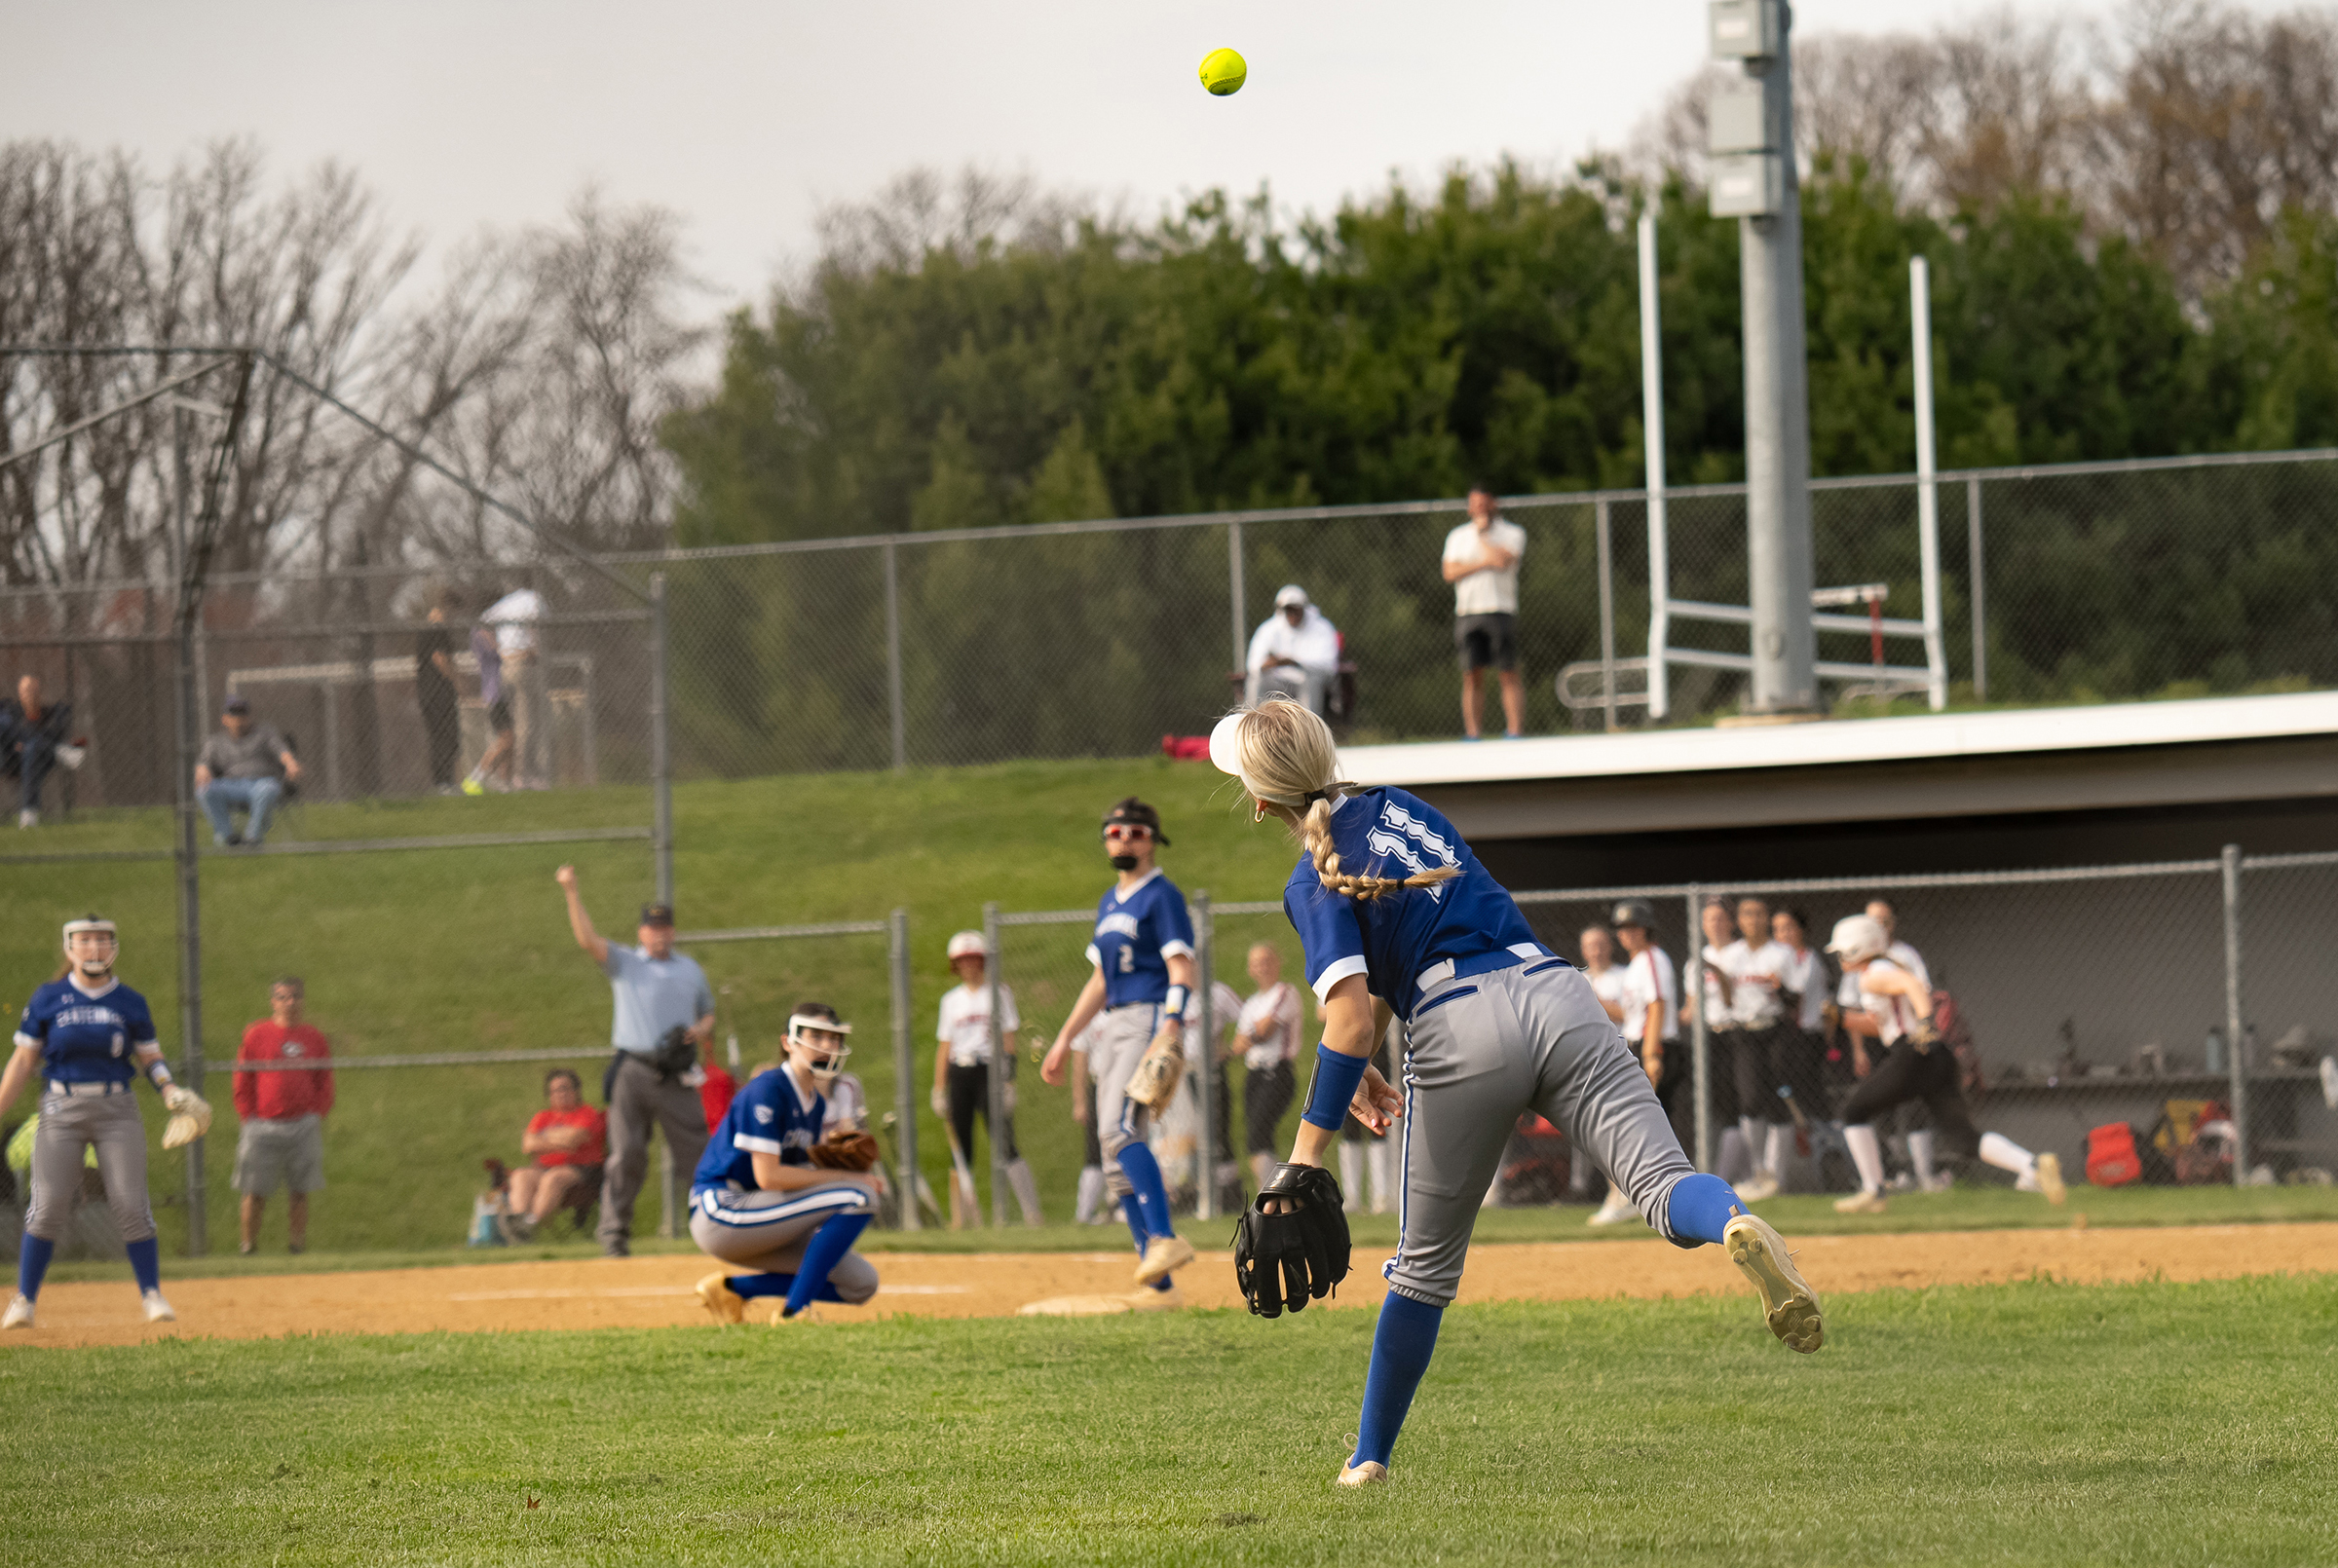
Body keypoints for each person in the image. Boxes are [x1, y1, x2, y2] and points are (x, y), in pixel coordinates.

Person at [1209, 700, 1820, 1486]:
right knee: (1665, 1190)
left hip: (1459, 1029)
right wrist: (1351, 1043)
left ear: (1260, 804)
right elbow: (1393, 977)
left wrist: (1303, 1157)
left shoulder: (1310, 879)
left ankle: (1369, 1460)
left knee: (1422, 1274)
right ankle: (1734, 1221)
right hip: (1556, 992)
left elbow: (1352, 1018)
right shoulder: (1407, 807)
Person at [2, 915, 209, 1328]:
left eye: (101, 941)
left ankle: (151, 1294)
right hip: (62, 1109)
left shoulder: (128, 1001)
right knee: (47, 1207)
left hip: (117, 1109)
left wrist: (170, 1091)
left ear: (113, 947)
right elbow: (24, 1061)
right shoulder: (49, 997)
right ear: (70, 948)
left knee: (131, 1204)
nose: (93, 949)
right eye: (84, 941)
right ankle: (24, 1300)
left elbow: (149, 1057)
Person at [1040, 797, 1200, 1305]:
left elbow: (1182, 969)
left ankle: (1165, 1239)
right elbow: (1100, 981)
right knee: (1113, 1158)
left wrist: (1171, 1023)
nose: (1123, 839)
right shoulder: (1111, 902)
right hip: (1114, 1025)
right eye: (1113, 832)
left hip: (1149, 1016)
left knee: (1121, 1129)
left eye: (1133, 831)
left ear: (1152, 839)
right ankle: (1160, 1284)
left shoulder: (1162, 896)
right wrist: (1066, 1038)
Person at [1826, 914, 2063, 1214]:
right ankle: (2032, 1165)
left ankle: (1874, 1191)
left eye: (1842, 952)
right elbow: (1879, 1023)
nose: (1840, 958)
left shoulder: (1875, 972)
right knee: (1963, 1138)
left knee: (1853, 1111)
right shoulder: (1881, 970)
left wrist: (1926, 1021)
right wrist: (1842, 1018)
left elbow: (1912, 985)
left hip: (1914, 1053)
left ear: (1856, 948)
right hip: (1934, 1055)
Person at [554, 866, 713, 1256]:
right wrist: (572, 892)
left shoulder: (690, 969)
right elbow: (587, 940)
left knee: (697, 1155)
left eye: (665, 927)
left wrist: (700, 1029)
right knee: (626, 1155)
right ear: (642, 932)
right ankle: (614, 1236)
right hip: (634, 1070)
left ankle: (716, 1230)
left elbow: (707, 1012)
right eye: (652, 927)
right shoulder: (627, 962)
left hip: (676, 1074)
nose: (659, 933)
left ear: (673, 931)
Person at [692, 1005, 882, 1324]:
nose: (827, 1045)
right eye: (816, 1036)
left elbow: (796, 1177)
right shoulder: (768, 1089)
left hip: (759, 1215)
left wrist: (849, 1172)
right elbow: (768, 1177)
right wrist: (846, 1180)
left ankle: (731, 1290)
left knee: (861, 1284)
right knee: (858, 1196)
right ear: (788, 1042)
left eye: (833, 1038)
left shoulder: (815, 1103)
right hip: (722, 1210)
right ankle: (793, 1313)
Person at [932, 929, 1043, 1225]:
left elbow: (1009, 1039)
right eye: (963, 960)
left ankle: (1032, 1213)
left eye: (974, 959)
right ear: (955, 965)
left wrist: (1009, 1081)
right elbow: (945, 1046)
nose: (969, 965)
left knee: (1004, 1140)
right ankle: (962, 1219)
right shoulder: (951, 1001)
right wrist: (939, 1087)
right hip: (960, 1071)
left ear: (983, 962)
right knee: (961, 1145)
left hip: (989, 1070)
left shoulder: (999, 993)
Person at [1593, 901, 1682, 1226]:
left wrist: (1651, 1053)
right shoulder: (1636, 964)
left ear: (1645, 929)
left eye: (1632, 927)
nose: (1625, 934)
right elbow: (1631, 1013)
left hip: (1653, 1046)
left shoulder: (1652, 959)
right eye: (1621, 929)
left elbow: (1657, 1006)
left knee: (1630, 1125)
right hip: (1638, 1043)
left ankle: (1632, 1197)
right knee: (1632, 1126)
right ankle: (1638, 1197)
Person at [231, 976, 333, 1255]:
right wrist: (247, 1115)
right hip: (262, 1124)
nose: (290, 1003)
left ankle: (297, 1246)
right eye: (283, 997)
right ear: (273, 1002)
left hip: (302, 1124)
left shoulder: (313, 1038)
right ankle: (248, 1246)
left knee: (300, 1190)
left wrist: (317, 1114)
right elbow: (243, 1079)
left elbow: (324, 1080)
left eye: (296, 996)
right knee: (254, 1190)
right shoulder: (257, 1034)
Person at [1717, 895, 1793, 1204]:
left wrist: (1780, 988)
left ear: (1767, 918)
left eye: (1759, 913)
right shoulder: (1731, 955)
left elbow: (1795, 999)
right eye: (1747, 914)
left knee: (1779, 1099)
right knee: (1749, 1099)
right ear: (1739, 921)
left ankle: (1778, 1176)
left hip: (1775, 1029)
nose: (1754, 919)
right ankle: (1758, 1170)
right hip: (1744, 1031)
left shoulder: (1781, 953)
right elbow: (1724, 998)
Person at [1441, 482, 1527, 739]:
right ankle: (1473, 733)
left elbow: (1502, 562)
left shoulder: (1512, 533)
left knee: (1507, 672)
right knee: (1471, 674)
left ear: (1493, 504)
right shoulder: (1457, 536)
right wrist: (1483, 562)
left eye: (1484, 503)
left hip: (1500, 609)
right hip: (1468, 611)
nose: (1479, 508)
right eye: (1475, 503)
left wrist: (1483, 536)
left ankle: (1514, 731)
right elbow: (1450, 572)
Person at [1236, 943, 1305, 1194]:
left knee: (1260, 1129)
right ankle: (1268, 1191)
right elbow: (1238, 1043)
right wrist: (1255, 1031)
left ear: (1277, 963)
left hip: (1277, 1071)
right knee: (1255, 1136)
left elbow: (1264, 1032)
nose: (1262, 968)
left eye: (1266, 961)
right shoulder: (1252, 1003)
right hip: (1254, 1073)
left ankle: (1273, 1192)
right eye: (1256, 963)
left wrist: (1253, 1032)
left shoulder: (1284, 992)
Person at [1573, 923, 1633, 1217]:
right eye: (1590, 945)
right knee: (1599, 1131)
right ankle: (1616, 1194)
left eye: (1601, 944)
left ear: (1610, 946)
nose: (1596, 951)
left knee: (1621, 1128)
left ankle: (1624, 1195)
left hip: (1620, 1058)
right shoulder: (1576, 979)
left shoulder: (1625, 976)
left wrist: (1593, 1000)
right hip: (1586, 1062)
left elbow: (1629, 1014)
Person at [506, 1068, 607, 1239]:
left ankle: (530, 1224)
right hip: (545, 1167)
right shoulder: (543, 1117)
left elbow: (573, 1141)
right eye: (555, 1090)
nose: (561, 1094)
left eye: (565, 1088)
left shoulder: (587, 1113)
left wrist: (544, 1137)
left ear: (576, 1091)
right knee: (520, 1175)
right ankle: (519, 1223)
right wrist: (561, 1137)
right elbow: (528, 1144)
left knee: (552, 1178)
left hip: (582, 1169)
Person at [195, 694, 302, 847]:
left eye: (243, 713)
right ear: (225, 719)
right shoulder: (216, 742)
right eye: (234, 714)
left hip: (260, 784)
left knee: (268, 788)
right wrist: (202, 769)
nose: (239, 718)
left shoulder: (265, 733)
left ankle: (253, 838)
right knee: (203, 790)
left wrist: (291, 764)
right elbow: (202, 763)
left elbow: (282, 752)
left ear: (249, 717)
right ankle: (229, 837)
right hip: (230, 786)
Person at [482, 583, 548, 789]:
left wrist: (500, 649)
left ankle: (509, 777)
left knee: (513, 724)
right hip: (523, 663)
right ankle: (524, 775)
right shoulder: (534, 600)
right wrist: (533, 649)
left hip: (506, 666)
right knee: (527, 723)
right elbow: (534, 625)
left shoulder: (508, 602)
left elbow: (483, 623)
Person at [1244, 585, 1341, 715]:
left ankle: (1308, 730)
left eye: (1296, 609)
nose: (1292, 614)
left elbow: (1328, 665)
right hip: (1279, 681)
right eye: (1288, 610)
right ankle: (1253, 726)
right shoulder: (1269, 629)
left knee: (1311, 680)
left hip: (1307, 680)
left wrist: (1295, 662)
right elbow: (1253, 664)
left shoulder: (1321, 628)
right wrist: (1266, 664)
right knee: (1256, 680)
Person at [1, 674, 75, 829]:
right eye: (25, 690)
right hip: (9, 759)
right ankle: (58, 750)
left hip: (37, 759)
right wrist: (17, 742)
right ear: (19, 693)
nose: (29, 693)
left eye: (32, 689)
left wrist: (24, 744)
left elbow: (58, 727)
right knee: (10, 727)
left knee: (32, 748)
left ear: (38, 691)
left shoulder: (49, 714)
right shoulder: (10, 713)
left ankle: (29, 813)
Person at [414, 590, 462, 794]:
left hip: (425, 691)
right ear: (448, 608)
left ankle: (443, 781)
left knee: (438, 736)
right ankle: (444, 782)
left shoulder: (423, 631)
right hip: (439, 691)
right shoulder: (437, 630)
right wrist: (457, 681)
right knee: (446, 735)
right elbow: (439, 658)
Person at [461, 615, 512, 796]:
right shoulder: (480, 632)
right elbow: (497, 649)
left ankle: (504, 782)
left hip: (505, 693)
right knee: (505, 739)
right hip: (494, 694)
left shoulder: (491, 631)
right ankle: (475, 778)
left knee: (510, 740)